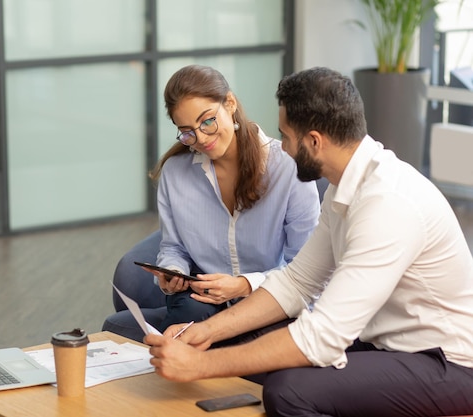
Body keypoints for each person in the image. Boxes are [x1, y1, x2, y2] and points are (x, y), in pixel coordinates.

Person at [144, 67, 473, 417]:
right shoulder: (343, 188)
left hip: (446, 362)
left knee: (289, 392)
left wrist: (200, 365)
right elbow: (297, 283)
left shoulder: (387, 204)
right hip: (386, 343)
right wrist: (206, 332)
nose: (280, 147)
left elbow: (323, 336)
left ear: (314, 141)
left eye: (286, 137)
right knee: (270, 362)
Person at [141, 64, 320, 335]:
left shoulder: (287, 168)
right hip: (201, 298)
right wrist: (172, 271)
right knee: (186, 321)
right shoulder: (175, 172)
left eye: (208, 121)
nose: (201, 138)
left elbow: (307, 270)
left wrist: (246, 285)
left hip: (269, 295)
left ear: (230, 103)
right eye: (188, 131)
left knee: (263, 331)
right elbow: (173, 247)